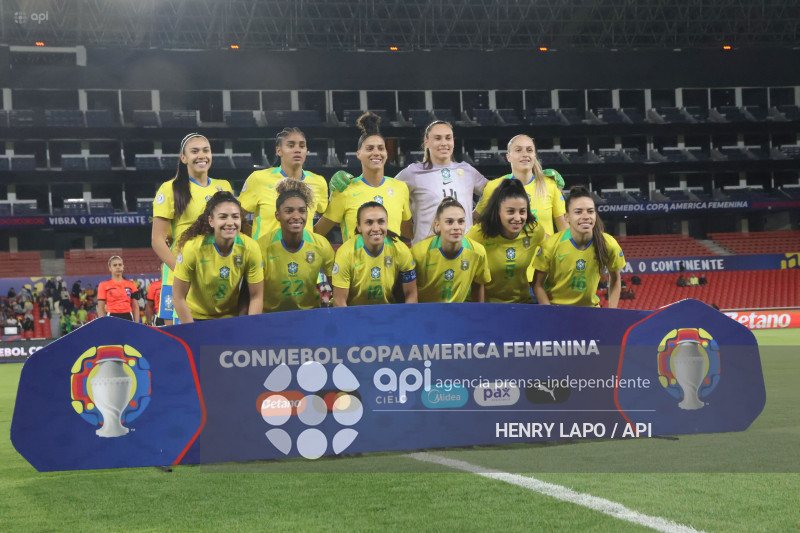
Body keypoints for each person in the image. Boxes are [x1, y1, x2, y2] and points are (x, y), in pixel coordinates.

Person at [152, 133, 234, 324]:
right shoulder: (170, 188)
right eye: (194, 151)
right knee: (181, 343)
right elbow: (157, 240)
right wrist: (183, 272)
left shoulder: (224, 187)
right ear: (184, 158)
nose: (201, 156)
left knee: (216, 341)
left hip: (216, 274)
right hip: (182, 278)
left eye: (206, 150)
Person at [315, 112, 413, 241]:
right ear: (358, 154)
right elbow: (318, 232)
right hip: (356, 261)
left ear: (386, 153)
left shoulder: (400, 188)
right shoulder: (345, 189)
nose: (376, 153)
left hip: (390, 261)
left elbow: (408, 232)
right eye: (370, 148)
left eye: (380, 148)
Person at [172, 191, 263, 323]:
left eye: (235, 217)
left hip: (229, 318)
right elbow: (178, 297)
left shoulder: (251, 248)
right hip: (194, 317)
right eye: (223, 217)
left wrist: (249, 328)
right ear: (211, 221)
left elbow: (256, 296)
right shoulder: (193, 249)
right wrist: (193, 331)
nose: (230, 222)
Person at [532, 186, 626, 308]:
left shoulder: (608, 244)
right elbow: (537, 285)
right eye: (578, 212)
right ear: (567, 218)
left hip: (590, 313)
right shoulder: (550, 245)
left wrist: (611, 311)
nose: (586, 216)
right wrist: (550, 312)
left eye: (590, 211)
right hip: (557, 312)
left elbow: (616, 279)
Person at [239, 127, 329, 240]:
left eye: (302, 146)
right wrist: (251, 242)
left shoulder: (318, 182)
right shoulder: (259, 179)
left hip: (302, 255)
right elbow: (236, 216)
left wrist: (312, 238)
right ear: (278, 150)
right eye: (291, 145)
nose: (297, 150)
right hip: (266, 255)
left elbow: (329, 218)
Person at [259, 178, 335, 312]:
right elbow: (251, 294)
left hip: (310, 316)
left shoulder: (321, 245)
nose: (296, 216)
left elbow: (335, 288)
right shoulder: (260, 247)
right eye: (289, 211)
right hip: (270, 318)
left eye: (302, 211)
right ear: (278, 215)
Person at [466, 179, 546, 303]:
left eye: (522, 211)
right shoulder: (477, 235)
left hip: (522, 303)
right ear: (498, 212)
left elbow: (554, 247)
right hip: (486, 307)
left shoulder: (534, 231)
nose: (518, 218)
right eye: (510, 211)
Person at [476, 135, 568, 238]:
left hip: (543, 253)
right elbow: (476, 223)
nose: (525, 154)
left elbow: (564, 230)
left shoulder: (549, 185)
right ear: (508, 157)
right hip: (507, 253)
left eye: (529, 150)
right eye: (518, 150)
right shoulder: (493, 187)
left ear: (535, 156)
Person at [332, 201, 417, 306]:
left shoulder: (400, 250)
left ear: (387, 223)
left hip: (389, 313)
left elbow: (411, 294)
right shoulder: (345, 253)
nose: (376, 228)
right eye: (369, 222)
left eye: (381, 222)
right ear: (359, 227)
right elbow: (339, 301)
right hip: (353, 314)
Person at [412, 197, 491, 303]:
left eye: (461, 221)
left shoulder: (478, 252)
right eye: (449, 222)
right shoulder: (418, 253)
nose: (456, 227)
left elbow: (478, 285)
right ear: (438, 226)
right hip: (426, 312)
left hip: (458, 312)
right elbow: (409, 291)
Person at [96, 255, 140, 321]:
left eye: (120, 265)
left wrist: (137, 324)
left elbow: (135, 307)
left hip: (128, 316)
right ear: (110, 268)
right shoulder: (103, 285)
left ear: (123, 267)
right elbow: (100, 307)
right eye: (115, 265)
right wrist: (104, 324)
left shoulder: (131, 284)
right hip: (111, 316)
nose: (118, 267)